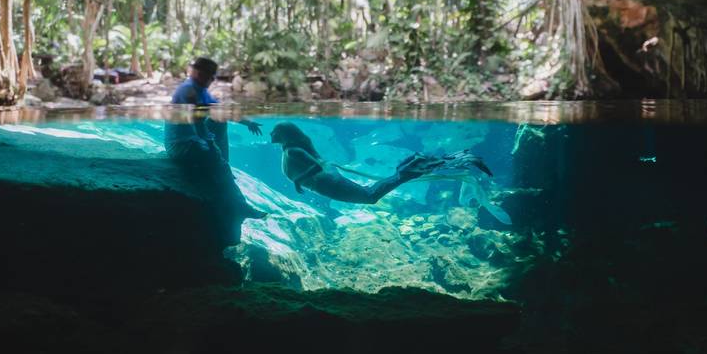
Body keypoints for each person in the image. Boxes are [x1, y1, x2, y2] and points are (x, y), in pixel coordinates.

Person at [269, 122, 492, 204]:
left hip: (323, 182)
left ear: (284, 134)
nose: (271, 135)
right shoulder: (292, 148)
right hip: (326, 180)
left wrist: (298, 181)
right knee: (369, 195)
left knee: (369, 196)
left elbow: (316, 166)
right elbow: (318, 162)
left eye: (274, 132)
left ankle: (412, 167)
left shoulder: (292, 151)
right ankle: (412, 166)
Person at [164, 57, 265, 221]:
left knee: (220, 123)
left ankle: (221, 165)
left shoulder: (199, 91)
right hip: (181, 145)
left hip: (194, 140)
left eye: (211, 76)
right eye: (206, 75)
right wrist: (210, 146)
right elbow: (196, 129)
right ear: (196, 73)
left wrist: (248, 123)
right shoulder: (188, 91)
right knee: (215, 158)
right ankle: (240, 205)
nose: (209, 79)